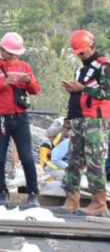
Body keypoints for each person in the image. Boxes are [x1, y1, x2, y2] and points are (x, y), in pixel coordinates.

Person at [0, 32, 40, 208]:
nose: (14, 56)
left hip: (20, 118)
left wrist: (28, 82)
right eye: (11, 53)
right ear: (2, 50)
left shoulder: (25, 66)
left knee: (27, 157)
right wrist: (3, 83)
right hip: (0, 119)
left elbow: (36, 89)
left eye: (16, 53)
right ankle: (1, 193)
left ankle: (33, 194)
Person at [60, 29, 110, 215]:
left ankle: (99, 202)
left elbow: (107, 93)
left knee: (94, 161)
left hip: (96, 121)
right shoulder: (81, 69)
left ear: (91, 46)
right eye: (77, 52)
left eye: (82, 51)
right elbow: (78, 94)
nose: (80, 55)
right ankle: (72, 199)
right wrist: (69, 118)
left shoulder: (104, 67)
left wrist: (84, 89)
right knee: (74, 160)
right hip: (79, 119)